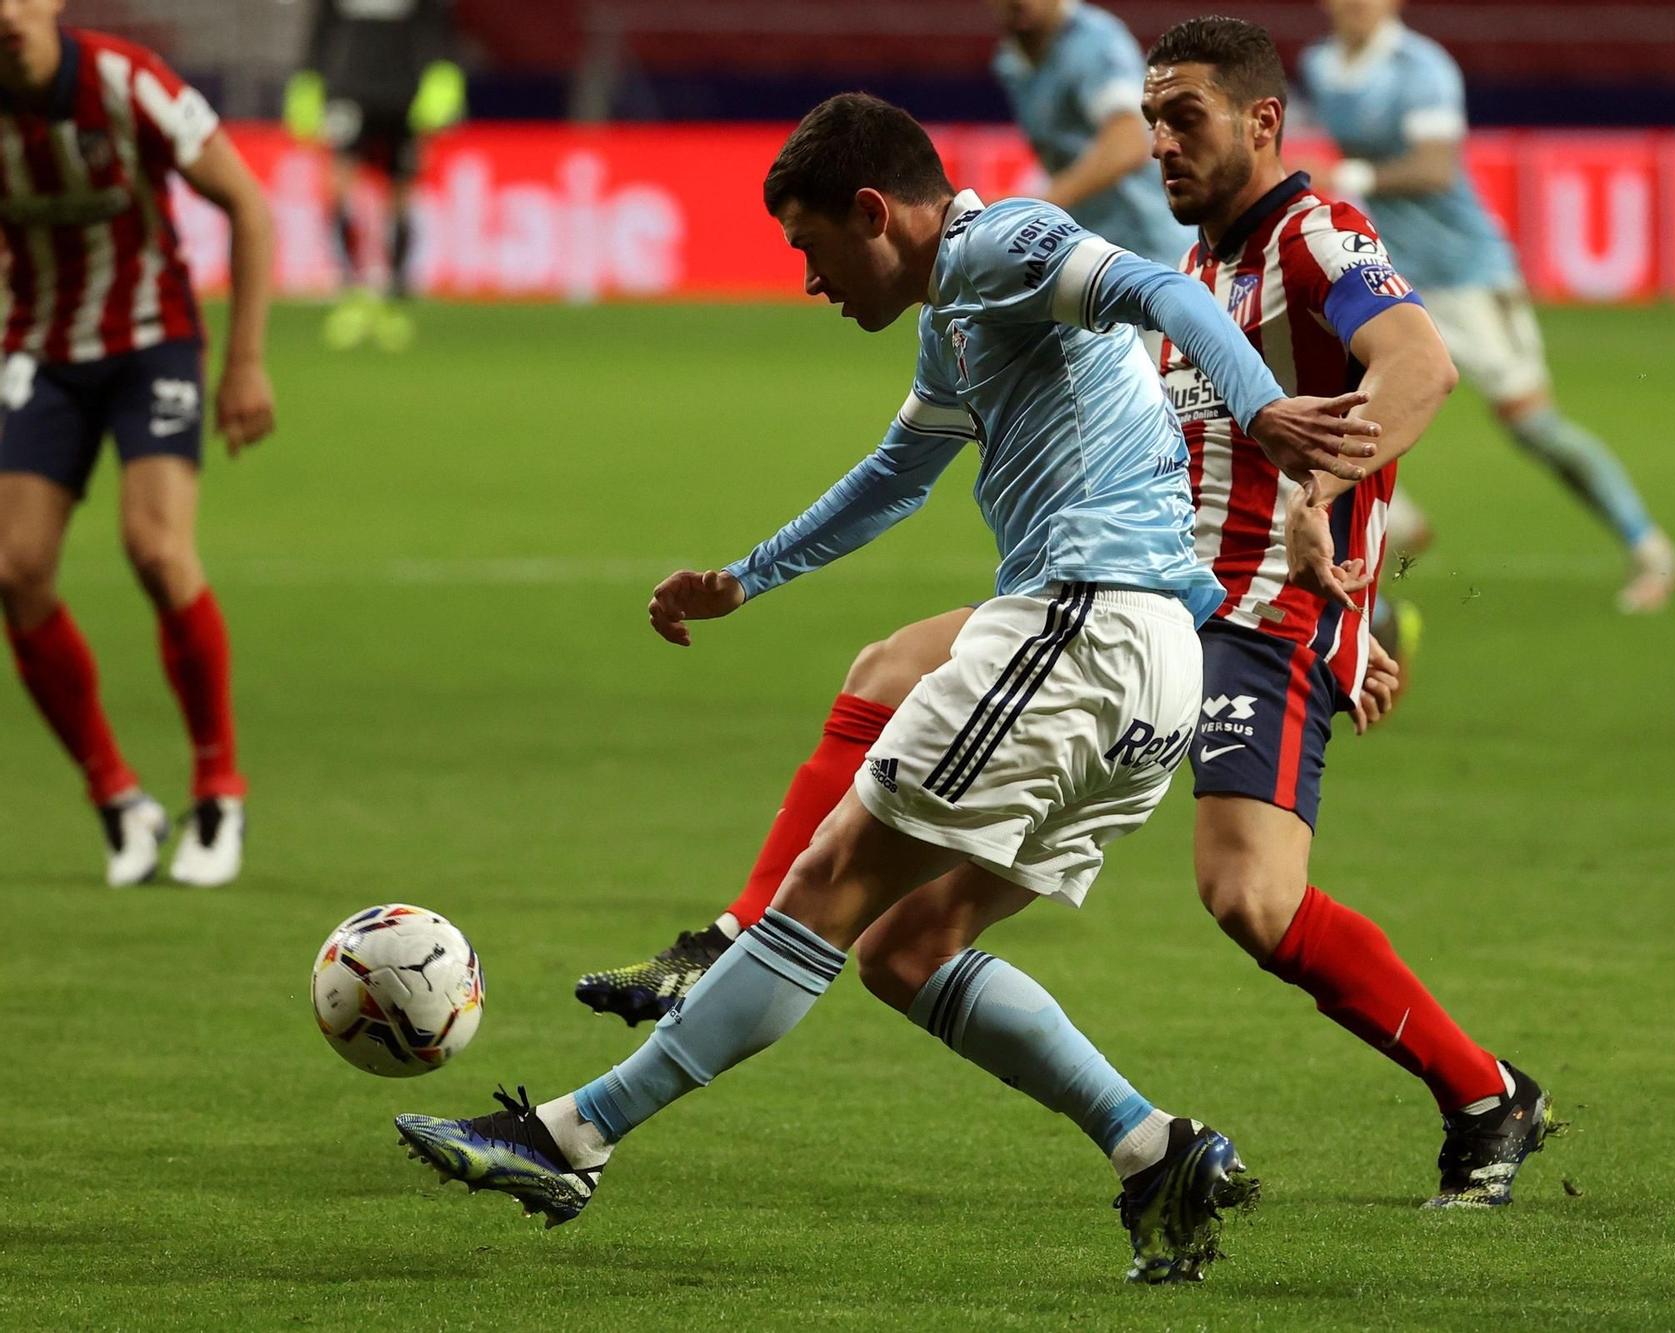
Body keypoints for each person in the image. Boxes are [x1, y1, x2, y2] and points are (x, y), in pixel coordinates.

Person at [394, 92, 1385, 1280]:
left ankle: (570, 1136)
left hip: (1077, 630)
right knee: (903, 949)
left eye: (810, 249)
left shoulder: (1000, 248)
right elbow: (895, 475)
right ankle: (1152, 1147)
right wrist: (745, 578)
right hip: (1144, 667)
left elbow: (1160, 293)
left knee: (825, 882)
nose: (811, 283)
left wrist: (1260, 406)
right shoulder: (953, 320)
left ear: (874, 212)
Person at [574, 18, 1560, 1210]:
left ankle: (1482, 1094)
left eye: (1180, 117)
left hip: (1251, 615)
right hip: (1159, 603)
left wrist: (1326, 500)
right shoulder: (1206, 273)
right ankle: (746, 940)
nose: (1154, 143)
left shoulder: (1316, 234)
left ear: (1262, 121)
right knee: (891, 729)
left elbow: (1418, 366)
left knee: (1249, 899)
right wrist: (747, 575)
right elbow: (925, 461)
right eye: (1148, 119)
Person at [0, 1, 276, 887]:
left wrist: (244, 362)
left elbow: (247, 203)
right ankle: (118, 797)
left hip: (152, 339)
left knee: (156, 550)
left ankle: (217, 791)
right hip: (39, 349)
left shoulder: (128, 82)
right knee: (15, 570)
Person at [1299, 0, 1675, 614]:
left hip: (1465, 275)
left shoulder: (1423, 67)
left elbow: (1434, 168)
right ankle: (1398, 525)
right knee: (1336, 394)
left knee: (1533, 425)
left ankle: (1650, 549)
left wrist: (1344, 176)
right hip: (1386, 269)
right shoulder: (1321, 65)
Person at [284, 0, 463, 351]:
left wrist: (443, 74)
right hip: (347, 89)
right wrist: (308, 79)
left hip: (404, 93)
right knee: (339, 187)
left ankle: (395, 290)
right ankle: (350, 285)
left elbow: (437, 28)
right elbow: (322, 29)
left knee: (401, 192)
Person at [991, 0, 1192, 264]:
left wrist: (1041, 205)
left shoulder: (1095, 42)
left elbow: (1130, 143)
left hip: (1153, 249)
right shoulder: (1011, 62)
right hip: (1095, 249)